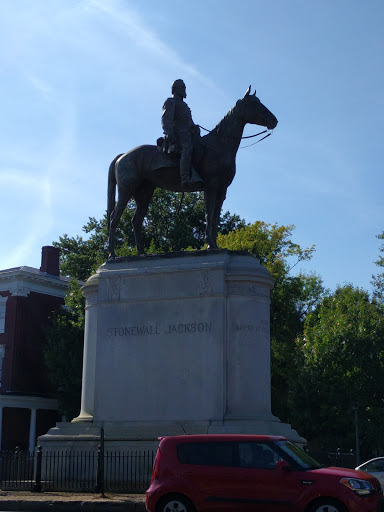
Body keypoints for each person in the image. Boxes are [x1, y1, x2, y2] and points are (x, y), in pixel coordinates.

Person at [161, 79, 202, 189]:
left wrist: (194, 127)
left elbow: (189, 122)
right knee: (187, 148)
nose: (184, 90)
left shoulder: (185, 106)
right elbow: (166, 119)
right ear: (175, 90)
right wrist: (169, 133)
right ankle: (185, 179)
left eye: (184, 87)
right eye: (182, 88)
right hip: (178, 134)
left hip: (187, 134)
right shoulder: (170, 101)